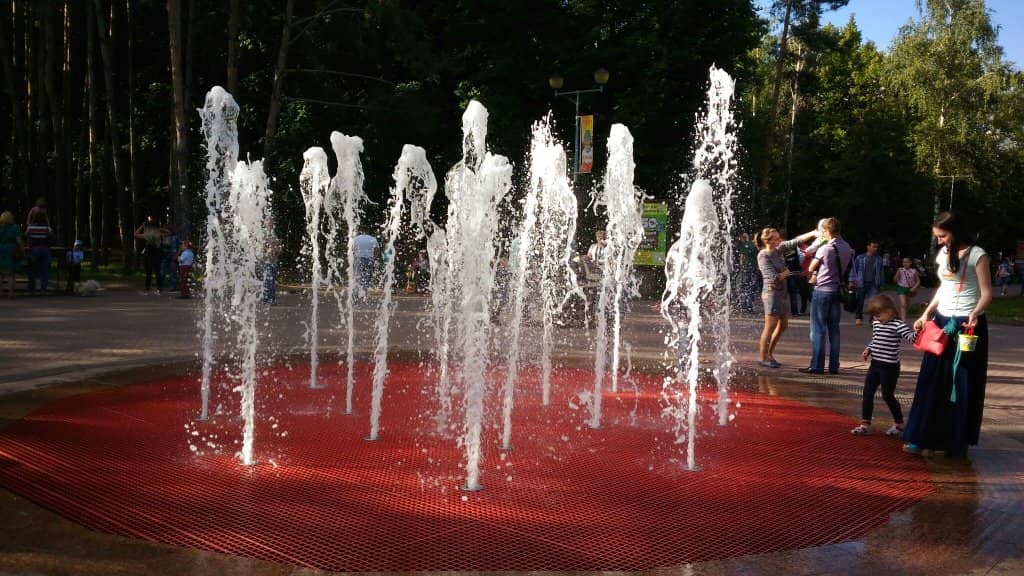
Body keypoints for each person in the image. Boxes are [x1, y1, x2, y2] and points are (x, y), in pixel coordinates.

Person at [903, 211, 992, 458]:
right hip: (941, 321)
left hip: (967, 324)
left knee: (961, 381)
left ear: (955, 231)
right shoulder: (943, 254)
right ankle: (920, 437)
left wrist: (976, 311)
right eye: (937, 236)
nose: (939, 241)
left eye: (942, 236)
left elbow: (986, 292)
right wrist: (926, 314)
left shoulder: (978, 255)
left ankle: (956, 441)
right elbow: (944, 286)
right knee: (931, 380)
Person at [850, 294, 917, 436]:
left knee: (888, 395)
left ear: (890, 311)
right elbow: (875, 339)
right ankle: (865, 424)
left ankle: (899, 424)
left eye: (878, 315)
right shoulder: (876, 323)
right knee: (867, 393)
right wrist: (868, 349)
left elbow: (912, 338)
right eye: (874, 316)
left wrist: (920, 329)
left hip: (889, 367)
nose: (876, 319)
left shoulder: (898, 325)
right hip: (875, 365)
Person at [754, 226, 820, 368]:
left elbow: (795, 241)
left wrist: (814, 232)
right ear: (768, 241)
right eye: (777, 239)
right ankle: (763, 357)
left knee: (783, 325)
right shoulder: (763, 255)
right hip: (771, 294)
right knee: (769, 326)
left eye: (779, 238)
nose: (780, 240)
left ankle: (770, 354)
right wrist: (786, 272)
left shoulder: (778, 249)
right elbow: (771, 278)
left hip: (781, 293)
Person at [801, 217, 853, 374]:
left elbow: (811, 267)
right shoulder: (847, 247)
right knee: (834, 330)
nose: (822, 234)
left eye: (823, 231)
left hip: (822, 291)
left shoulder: (826, 248)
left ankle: (817, 366)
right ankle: (834, 366)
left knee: (818, 329)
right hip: (837, 291)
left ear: (828, 231)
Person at [849, 240, 884, 326]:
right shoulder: (860, 258)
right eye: (873, 247)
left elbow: (881, 272)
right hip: (861, 283)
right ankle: (858, 317)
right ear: (868, 247)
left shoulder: (879, 259)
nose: (875, 249)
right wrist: (851, 281)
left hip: (874, 284)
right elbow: (854, 269)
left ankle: (872, 319)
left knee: (873, 303)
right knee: (860, 301)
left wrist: (882, 283)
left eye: (876, 247)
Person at [134, 218, 168, 295]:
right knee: (157, 271)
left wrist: (142, 226)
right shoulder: (158, 233)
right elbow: (169, 232)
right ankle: (159, 288)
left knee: (148, 271)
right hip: (157, 251)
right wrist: (160, 229)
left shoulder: (148, 234)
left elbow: (136, 234)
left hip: (149, 252)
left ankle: (147, 289)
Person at [25, 212, 54, 294]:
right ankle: (43, 289)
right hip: (45, 249)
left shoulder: (31, 227)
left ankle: (32, 289)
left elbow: (26, 234)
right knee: (44, 270)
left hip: (34, 249)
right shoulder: (47, 228)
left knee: (32, 270)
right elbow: (52, 236)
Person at [0, 210, 24, 297]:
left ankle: (1, 292)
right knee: (11, 274)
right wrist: (22, 250)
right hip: (11, 250)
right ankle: (11, 293)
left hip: (0, 250)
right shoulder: (15, 227)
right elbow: (19, 241)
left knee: (0, 274)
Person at [352, 229, 379, 301]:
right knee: (367, 277)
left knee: (357, 276)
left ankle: (355, 294)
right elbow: (377, 250)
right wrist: (374, 258)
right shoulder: (373, 239)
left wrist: (354, 256)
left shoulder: (356, 238)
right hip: (369, 259)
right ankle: (365, 295)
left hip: (358, 258)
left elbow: (352, 249)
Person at [262, 222, 281, 304]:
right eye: (269, 223)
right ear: (265, 224)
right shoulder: (263, 234)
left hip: (274, 261)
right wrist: (268, 249)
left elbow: (278, 247)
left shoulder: (274, 235)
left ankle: (272, 299)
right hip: (266, 261)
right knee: (269, 280)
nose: (270, 224)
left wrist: (278, 250)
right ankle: (266, 299)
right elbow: (260, 247)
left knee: (273, 282)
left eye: (272, 223)